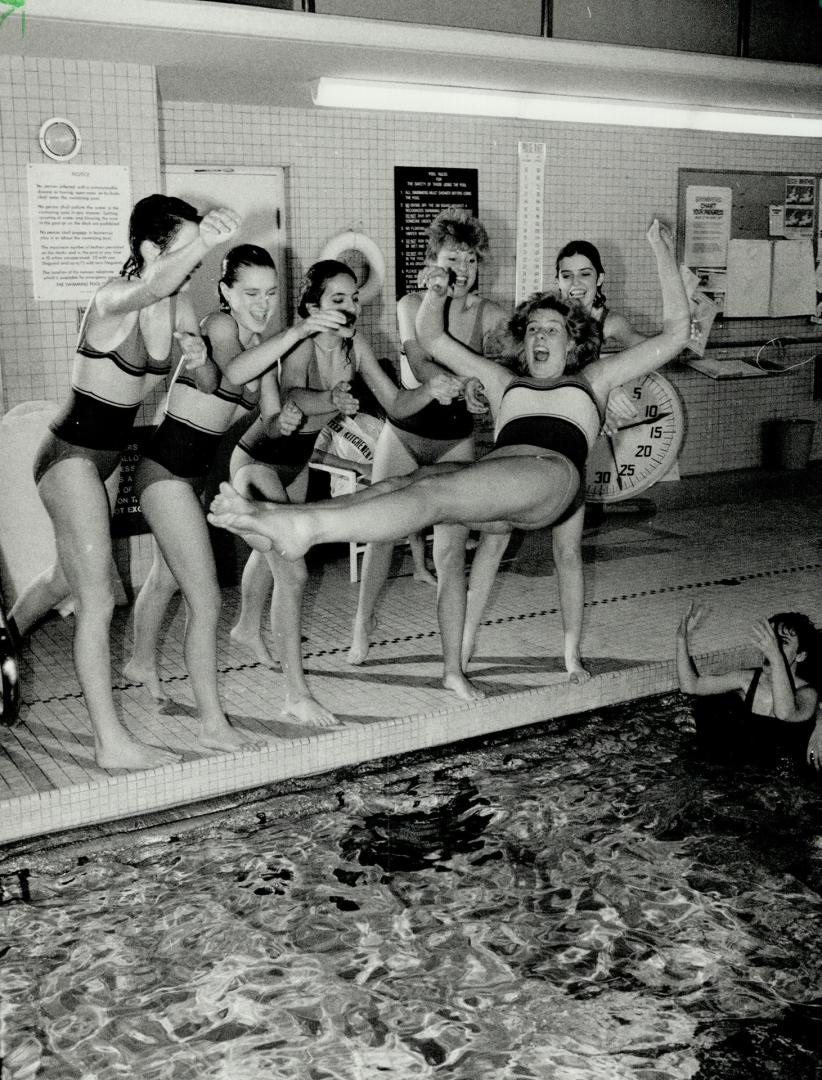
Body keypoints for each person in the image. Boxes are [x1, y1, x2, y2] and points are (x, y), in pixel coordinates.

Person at [207, 219, 690, 702]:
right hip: (500, 477)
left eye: (554, 329)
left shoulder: (596, 378)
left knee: (433, 495)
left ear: (574, 340)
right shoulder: (505, 380)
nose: (542, 337)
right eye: (535, 329)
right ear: (523, 339)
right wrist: (436, 291)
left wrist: (662, 254)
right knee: (405, 485)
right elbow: (432, 339)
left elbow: (675, 334)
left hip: (551, 476)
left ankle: (309, 529)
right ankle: (287, 518)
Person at [10, 195, 240, 769]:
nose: (195, 263)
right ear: (149, 250)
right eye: (184, 248)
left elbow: (208, 380)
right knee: (99, 598)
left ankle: (7, 633)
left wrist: (198, 356)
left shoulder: (181, 305)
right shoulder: (113, 297)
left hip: (108, 459)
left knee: (67, 577)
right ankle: (111, 744)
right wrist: (204, 240)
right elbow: (149, 289)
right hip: (68, 455)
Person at [225, 258, 463, 726]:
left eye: (355, 298)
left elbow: (396, 402)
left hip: (294, 466)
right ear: (314, 306)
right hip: (258, 459)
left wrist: (431, 390)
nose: (351, 307)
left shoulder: (356, 346)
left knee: (271, 550)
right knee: (292, 574)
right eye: (339, 299)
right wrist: (330, 400)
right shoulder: (302, 342)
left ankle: (247, 626)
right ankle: (295, 695)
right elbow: (292, 396)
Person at [124, 244, 302, 751]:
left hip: (191, 477)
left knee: (166, 578)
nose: (262, 304)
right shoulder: (220, 327)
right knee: (205, 597)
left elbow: (266, 416)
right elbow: (231, 375)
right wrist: (293, 334)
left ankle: (139, 661)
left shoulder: (264, 346)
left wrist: (282, 419)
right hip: (163, 471)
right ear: (226, 292)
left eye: (270, 294)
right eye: (250, 293)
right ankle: (212, 725)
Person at [347, 207, 508, 681]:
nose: (462, 270)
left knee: (450, 552)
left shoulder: (491, 315)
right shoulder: (409, 303)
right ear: (431, 262)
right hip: (405, 436)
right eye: (451, 259)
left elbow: (509, 366)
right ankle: (363, 620)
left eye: (471, 260)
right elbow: (418, 360)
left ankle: (451, 647)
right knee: (380, 534)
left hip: (454, 441)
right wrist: (463, 381)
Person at [676, 601, 820, 763]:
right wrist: (681, 639)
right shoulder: (748, 680)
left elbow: (785, 713)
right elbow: (691, 686)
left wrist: (775, 656)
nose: (771, 648)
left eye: (783, 642)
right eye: (772, 641)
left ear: (800, 655)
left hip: (787, 780)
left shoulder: (808, 693)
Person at [311, 411, 436, 584]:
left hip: (385, 477)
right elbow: (313, 455)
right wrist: (358, 466)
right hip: (352, 484)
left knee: (416, 490)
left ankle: (421, 568)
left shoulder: (368, 418)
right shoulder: (326, 424)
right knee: (408, 494)